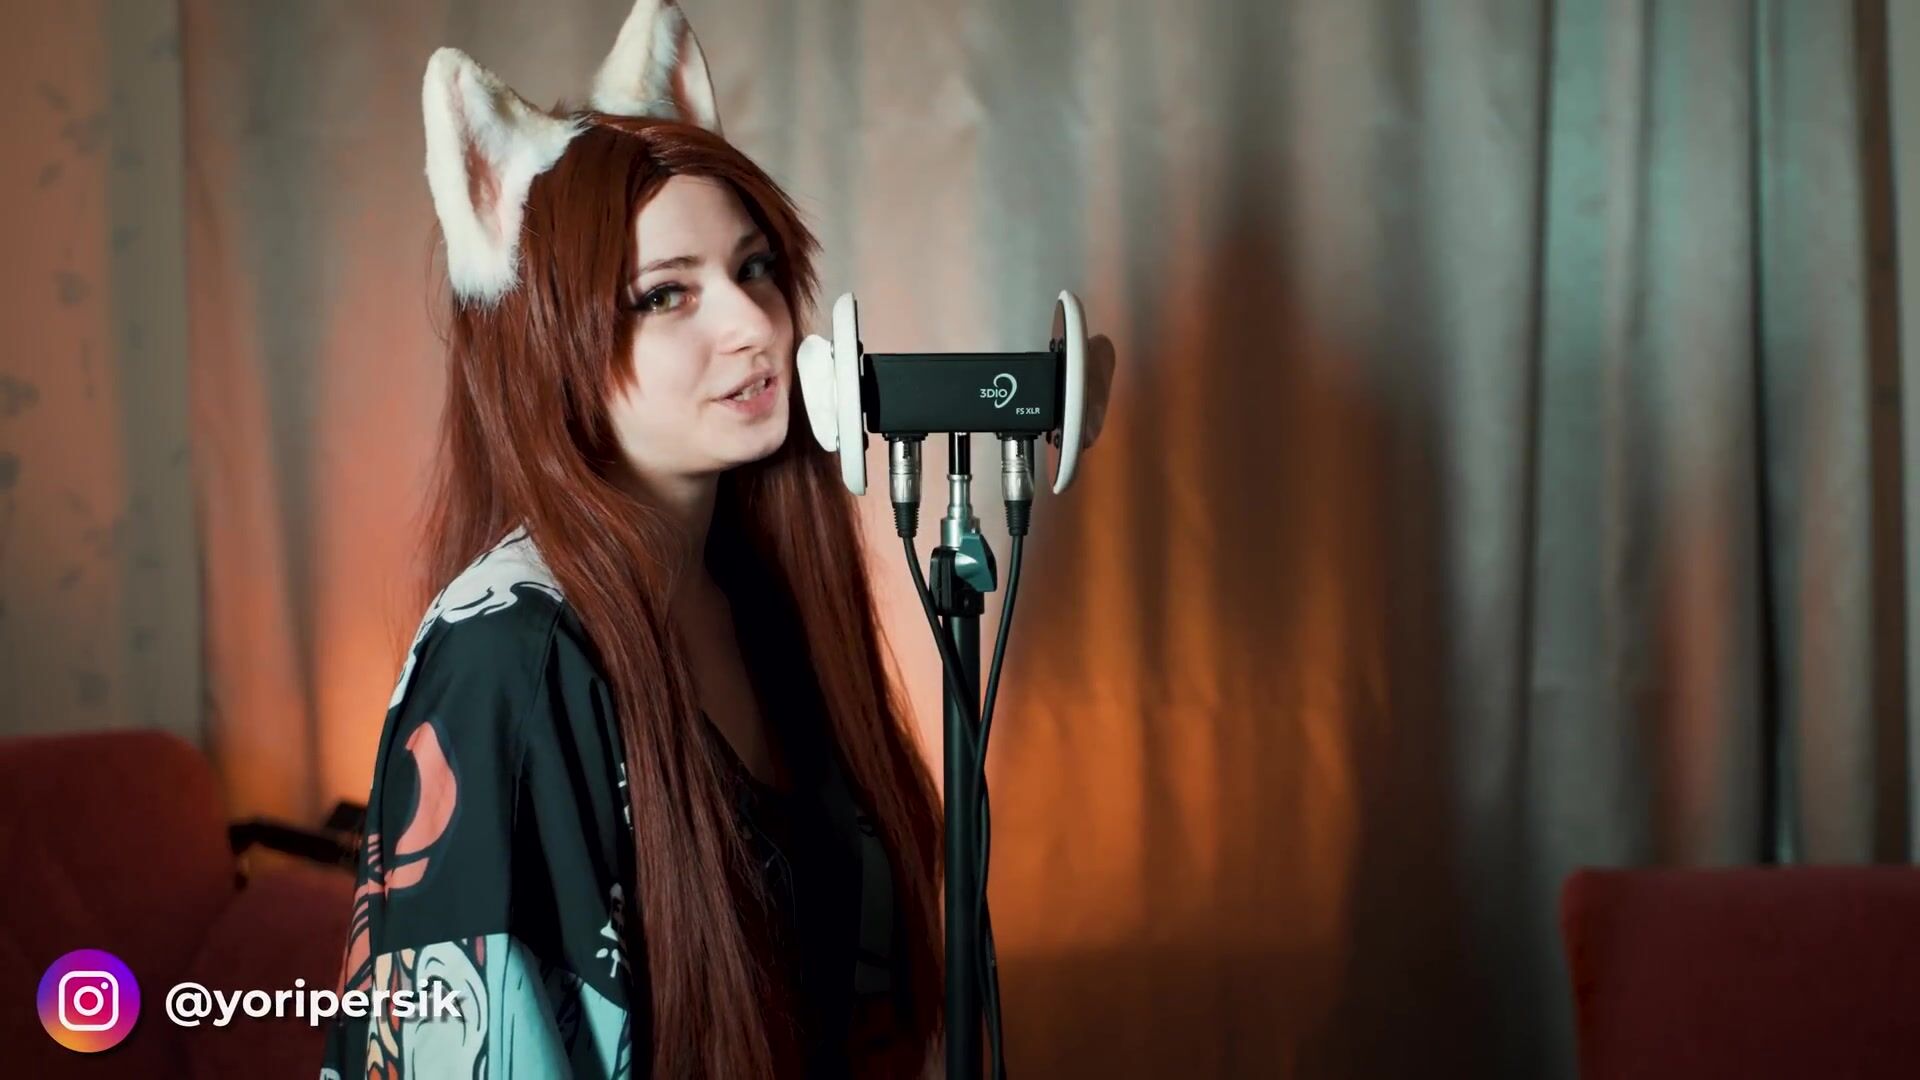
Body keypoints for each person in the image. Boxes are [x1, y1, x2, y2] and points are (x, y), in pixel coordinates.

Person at [317, 2, 948, 1076]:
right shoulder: (508, 655)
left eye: (755, 269)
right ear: (545, 339)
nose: (752, 326)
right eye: (666, 295)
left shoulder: (766, 601)